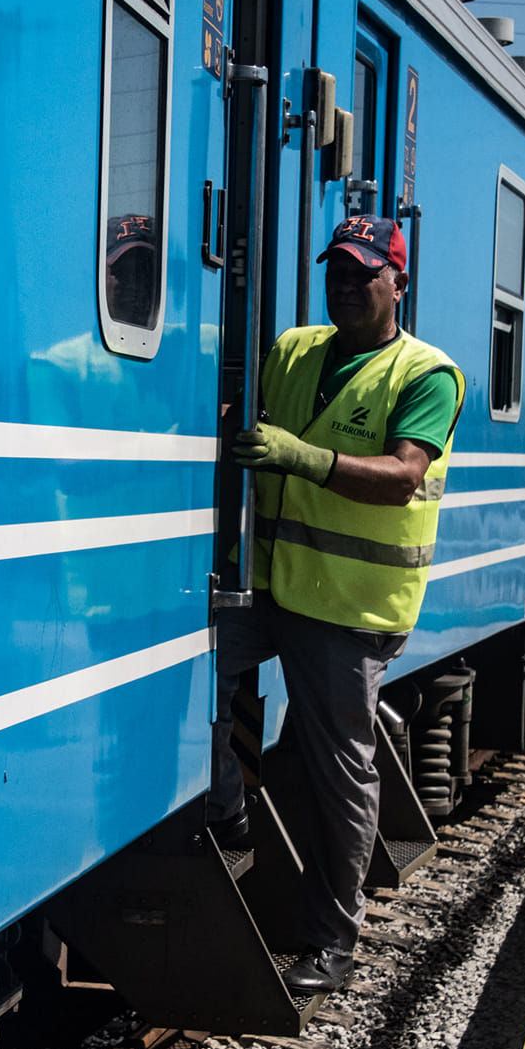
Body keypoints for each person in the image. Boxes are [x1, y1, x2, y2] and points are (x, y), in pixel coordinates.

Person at [209, 214, 464, 996]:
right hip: (268, 583)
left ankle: (332, 939)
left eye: (364, 274)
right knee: (184, 683)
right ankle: (230, 812)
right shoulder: (292, 350)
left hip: (351, 607)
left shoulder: (428, 374)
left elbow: (402, 474)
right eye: (338, 273)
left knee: (337, 772)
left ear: (399, 283)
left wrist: (303, 456)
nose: (348, 287)